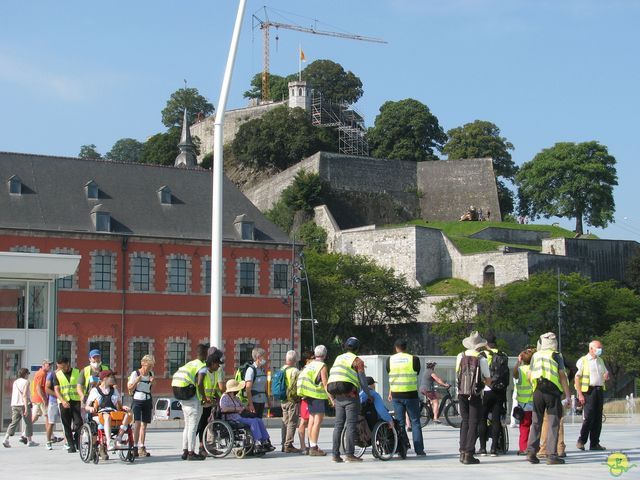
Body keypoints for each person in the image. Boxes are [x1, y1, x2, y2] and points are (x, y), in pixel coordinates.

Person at [525, 332, 571, 465]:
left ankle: (531, 453)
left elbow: (529, 375)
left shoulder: (536, 355)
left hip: (538, 391)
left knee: (536, 422)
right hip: (552, 392)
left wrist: (534, 387)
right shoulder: (556, 355)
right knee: (553, 423)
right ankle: (551, 455)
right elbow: (562, 376)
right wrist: (567, 395)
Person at [327, 336, 371, 463]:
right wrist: (369, 395)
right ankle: (350, 454)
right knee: (351, 425)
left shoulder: (338, 358)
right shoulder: (357, 361)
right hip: (350, 396)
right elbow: (363, 381)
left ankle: (335, 455)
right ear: (357, 348)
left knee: (338, 425)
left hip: (337, 395)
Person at [456, 331, 492, 465]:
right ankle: (469, 453)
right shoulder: (481, 358)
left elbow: (457, 374)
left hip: (461, 393)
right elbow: (488, 379)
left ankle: (461, 451)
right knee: (473, 423)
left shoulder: (460, 356)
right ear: (479, 345)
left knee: (465, 421)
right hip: (475, 394)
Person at [386, 339, 425, 456]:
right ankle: (419, 450)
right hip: (411, 395)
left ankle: (401, 450)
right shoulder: (414, 359)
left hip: (396, 395)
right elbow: (416, 372)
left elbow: (391, 374)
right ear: (406, 347)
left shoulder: (389, 360)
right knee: (415, 422)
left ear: (396, 347)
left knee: (400, 423)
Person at [171, 343, 208, 461]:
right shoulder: (202, 365)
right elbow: (200, 383)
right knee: (193, 426)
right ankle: (191, 453)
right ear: (206, 354)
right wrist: (204, 397)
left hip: (181, 395)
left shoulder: (190, 363)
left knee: (187, 425)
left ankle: (185, 450)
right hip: (191, 397)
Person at [85, 370, 132, 459]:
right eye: (111, 377)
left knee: (127, 414)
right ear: (105, 379)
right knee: (107, 416)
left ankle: (118, 438)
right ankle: (109, 441)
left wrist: (124, 407)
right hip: (100, 414)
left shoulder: (114, 390)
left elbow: (119, 405)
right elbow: (87, 406)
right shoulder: (95, 391)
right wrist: (90, 408)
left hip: (113, 412)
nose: (113, 379)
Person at [219, 379, 275, 452]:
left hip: (240, 416)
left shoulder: (235, 398)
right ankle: (257, 442)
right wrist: (236, 409)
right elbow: (223, 409)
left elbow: (242, 405)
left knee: (259, 420)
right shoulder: (224, 397)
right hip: (232, 418)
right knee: (253, 422)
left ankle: (265, 441)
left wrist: (246, 407)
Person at [575, 339, 609, 451]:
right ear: (591, 349)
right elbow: (577, 378)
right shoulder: (583, 361)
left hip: (599, 390)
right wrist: (580, 394)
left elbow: (604, 373)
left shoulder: (600, 361)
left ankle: (594, 443)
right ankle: (581, 440)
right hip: (588, 391)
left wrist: (606, 376)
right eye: (598, 348)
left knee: (598, 418)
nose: (600, 350)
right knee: (589, 417)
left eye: (601, 348)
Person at [297, 345, 331, 456]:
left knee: (311, 420)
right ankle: (314, 447)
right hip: (317, 395)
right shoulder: (322, 366)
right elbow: (325, 383)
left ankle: (312, 445)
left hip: (308, 395)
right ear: (325, 355)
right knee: (317, 421)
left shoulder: (309, 365)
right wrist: (331, 398)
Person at [478, 334, 509, 456]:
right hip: (499, 391)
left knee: (483, 419)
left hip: (486, 390)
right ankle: (494, 449)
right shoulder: (503, 355)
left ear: (486, 344)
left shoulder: (483, 355)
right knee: (496, 419)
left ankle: (482, 448)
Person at [196, 352, 225, 457]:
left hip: (209, 403)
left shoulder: (215, 372)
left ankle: (203, 446)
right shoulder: (203, 372)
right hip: (201, 402)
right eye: (217, 364)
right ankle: (196, 446)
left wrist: (219, 397)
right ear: (212, 363)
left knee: (205, 424)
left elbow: (215, 388)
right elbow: (199, 386)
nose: (219, 366)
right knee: (200, 425)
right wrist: (204, 398)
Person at [52, 356, 83, 453]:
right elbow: (56, 390)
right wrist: (62, 400)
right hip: (63, 402)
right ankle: (71, 445)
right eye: (59, 367)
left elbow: (82, 385)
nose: (60, 369)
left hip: (76, 401)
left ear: (68, 364)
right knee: (66, 425)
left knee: (79, 423)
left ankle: (77, 441)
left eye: (62, 367)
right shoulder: (57, 374)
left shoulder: (77, 372)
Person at [127, 354, 156, 458]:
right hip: (137, 400)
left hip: (147, 400)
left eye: (151, 366)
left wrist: (153, 382)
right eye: (148, 366)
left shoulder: (151, 374)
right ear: (143, 364)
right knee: (137, 424)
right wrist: (136, 380)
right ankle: (135, 447)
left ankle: (142, 446)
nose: (149, 368)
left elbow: (151, 387)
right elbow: (129, 388)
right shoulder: (135, 373)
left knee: (144, 425)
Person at [3, 368, 38, 448]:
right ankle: (30, 441)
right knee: (28, 423)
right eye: (28, 374)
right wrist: (26, 407)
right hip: (23, 404)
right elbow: (25, 395)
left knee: (13, 422)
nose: (28, 375)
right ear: (25, 374)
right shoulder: (26, 382)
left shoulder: (15, 382)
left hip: (14, 404)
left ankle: (6, 439)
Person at [513, 347, 535, 455]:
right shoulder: (534, 370)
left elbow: (514, 374)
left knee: (524, 426)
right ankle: (534, 447)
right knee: (536, 426)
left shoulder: (520, 370)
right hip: (534, 401)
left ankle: (523, 447)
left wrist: (518, 361)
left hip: (523, 402)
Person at [280, 350, 301, 453]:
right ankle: (288, 445)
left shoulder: (282, 369)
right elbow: (297, 386)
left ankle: (283, 443)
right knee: (292, 422)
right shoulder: (295, 371)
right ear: (295, 360)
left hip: (283, 399)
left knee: (285, 422)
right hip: (292, 400)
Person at [297, 351, 314, 454]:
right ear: (307, 360)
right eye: (312, 357)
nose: (314, 359)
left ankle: (310, 444)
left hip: (310, 398)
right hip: (306, 398)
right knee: (304, 422)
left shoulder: (310, 369)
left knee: (310, 422)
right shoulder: (305, 370)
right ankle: (303, 446)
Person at [44, 363, 64, 450]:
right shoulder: (52, 374)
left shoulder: (66, 374)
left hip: (64, 401)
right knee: (51, 423)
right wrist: (57, 395)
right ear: (58, 365)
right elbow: (47, 389)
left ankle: (67, 443)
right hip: (53, 402)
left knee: (65, 423)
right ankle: (48, 442)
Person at [245, 347, 269, 418]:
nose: (265, 359)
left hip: (262, 400)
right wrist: (251, 404)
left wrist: (268, 399)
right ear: (258, 357)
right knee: (254, 421)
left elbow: (264, 387)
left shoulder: (262, 370)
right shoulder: (251, 370)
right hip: (254, 401)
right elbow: (248, 389)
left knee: (259, 421)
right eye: (264, 356)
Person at [31, 359, 52, 429]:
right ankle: (51, 436)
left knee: (35, 417)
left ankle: (24, 434)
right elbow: (38, 388)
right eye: (48, 365)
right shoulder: (42, 374)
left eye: (50, 364)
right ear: (43, 365)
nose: (50, 366)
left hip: (37, 399)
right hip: (40, 399)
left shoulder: (41, 373)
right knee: (47, 416)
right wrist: (44, 399)